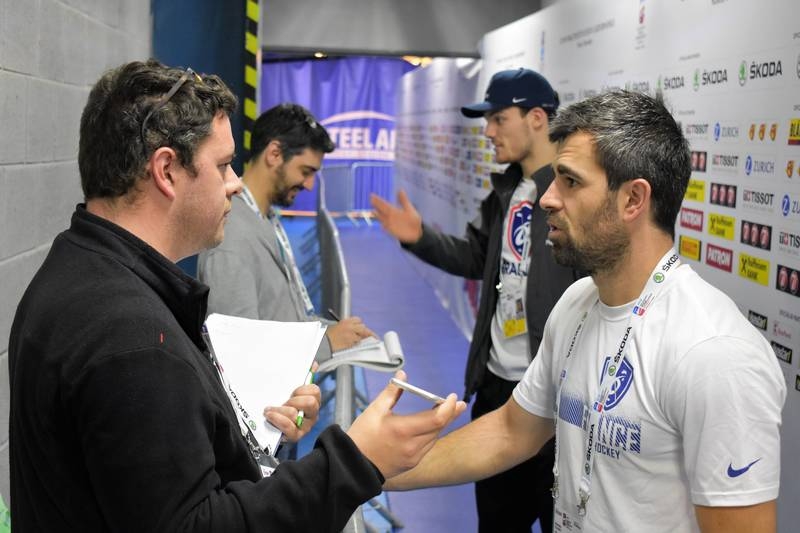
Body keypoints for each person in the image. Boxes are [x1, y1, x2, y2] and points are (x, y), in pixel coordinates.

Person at [8, 60, 466, 532]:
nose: (235, 183)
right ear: (167, 170)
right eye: (224, 165)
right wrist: (355, 462)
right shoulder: (132, 339)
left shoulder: (82, 272)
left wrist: (244, 428)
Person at [385, 90, 786, 533]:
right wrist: (367, 472)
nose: (548, 199)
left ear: (633, 200)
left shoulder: (714, 354)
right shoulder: (577, 302)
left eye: (570, 182)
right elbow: (511, 433)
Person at [371, 68, 582, 532]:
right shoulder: (505, 191)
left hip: (553, 397)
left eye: (498, 119)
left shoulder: (574, 197)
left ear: (538, 120)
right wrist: (420, 237)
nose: (488, 131)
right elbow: (477, 257)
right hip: (496, 389)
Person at [198, 103, 374, 362]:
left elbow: (277, 316)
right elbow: (237, 350)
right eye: (306, 172)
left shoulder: (265, 218)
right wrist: (326, 342)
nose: (310, 185)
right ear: (275, 154)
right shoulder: (230, 236)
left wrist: (333, 330)